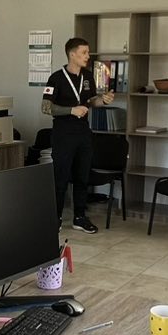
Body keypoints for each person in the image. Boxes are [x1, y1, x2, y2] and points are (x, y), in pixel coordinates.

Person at [42, 36, 114, 234]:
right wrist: (71, 110)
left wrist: (103, 100)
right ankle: (55, 218)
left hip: (83, 133)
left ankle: (80, 217)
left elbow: (91, 102)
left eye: (87, 52)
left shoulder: (88, 76)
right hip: (63, 134)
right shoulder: (56, 78)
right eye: (84, 53)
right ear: (72, 54)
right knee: (61, 177)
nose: (87, 56)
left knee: (83, 176)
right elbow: (46, 107)